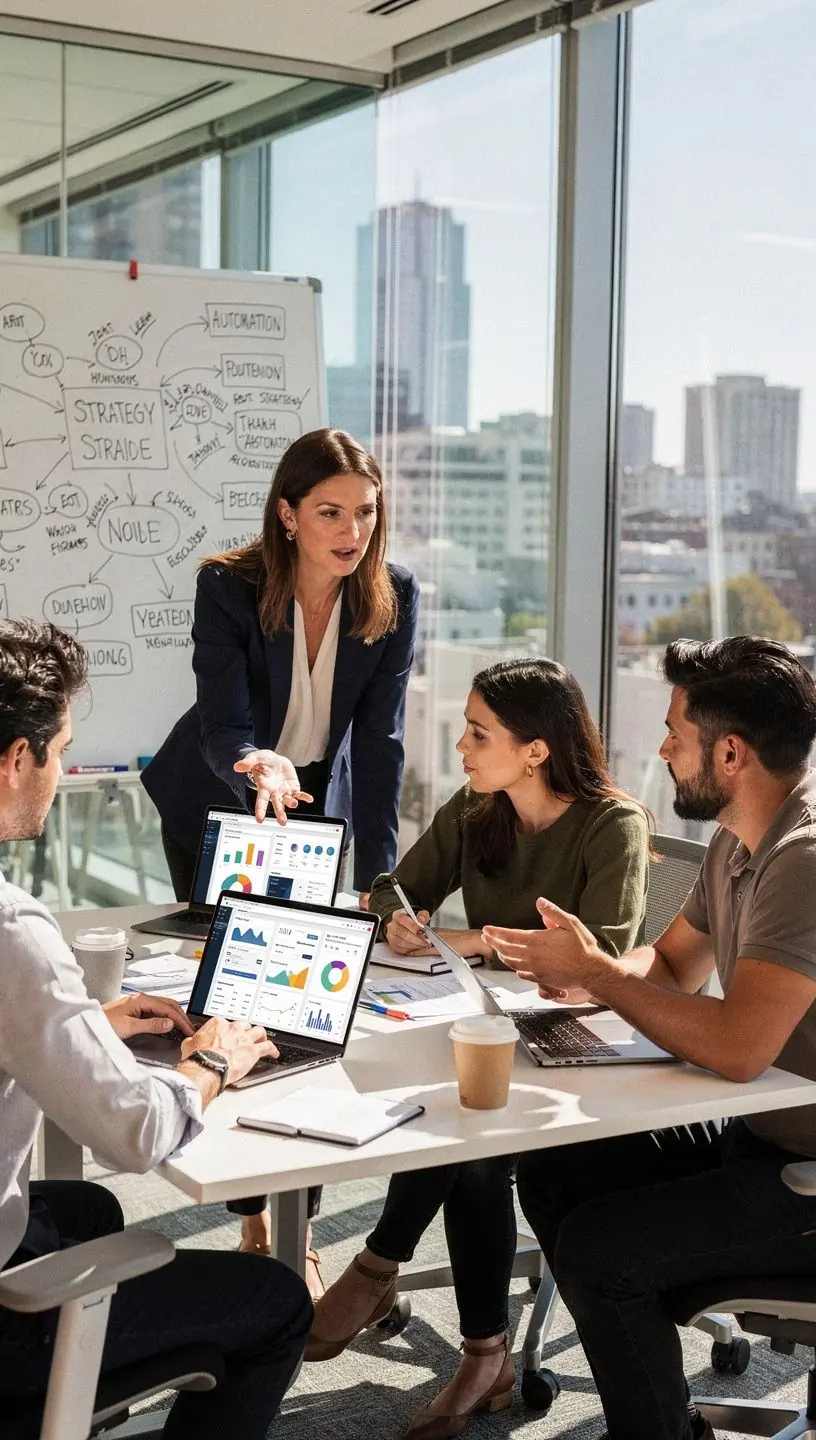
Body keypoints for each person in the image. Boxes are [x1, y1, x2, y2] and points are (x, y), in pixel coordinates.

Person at [307, 656, 650, 1439]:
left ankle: (376, 1268)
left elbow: (600, 960)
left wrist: (477, 942)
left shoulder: (613, 824)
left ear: (536, 749)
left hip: (581, 1048)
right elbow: (395, 887)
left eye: (478, 732)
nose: (461, 746)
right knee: (467, 1122)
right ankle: (483, 1353)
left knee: (475, 1136)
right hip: (492, 1031)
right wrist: (400, 917)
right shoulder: (477, 806)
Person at [485, 636, 816, 1440]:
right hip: (760, 1140)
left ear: (730, 752)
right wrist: (591, 972)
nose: (662, 750)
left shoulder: (804, 860)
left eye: (676, 734)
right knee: (560, 1173)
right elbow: (670, 964)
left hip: (807, 1176)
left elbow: (739, 1046)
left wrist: (601, 979)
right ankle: (665, 1411)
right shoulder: (740, 840)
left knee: (604, 1253)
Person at [0, 620, 312, 1440]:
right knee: (280, 1303)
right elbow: (135, 1135)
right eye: (61, 749)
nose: (64, 768)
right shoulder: (12, 931)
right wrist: (212, 1057)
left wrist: (76, 1027)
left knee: (85, 1213)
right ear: (13, 761)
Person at [141, 427, 419, 1287]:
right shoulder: (229, 586)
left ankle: (282, 1199)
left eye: (365, 513)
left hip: (306, 820)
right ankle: (257, 1218)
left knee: (293, 1011)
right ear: (288, 514)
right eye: (330, 512)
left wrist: (380, 882)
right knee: (227, 1007)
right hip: (218, 801)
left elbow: (380, 749)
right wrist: (251, 761)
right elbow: (222, 717)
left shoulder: (392, 596)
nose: (351, 531)